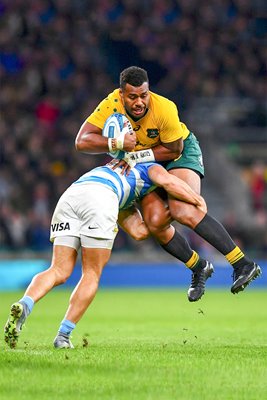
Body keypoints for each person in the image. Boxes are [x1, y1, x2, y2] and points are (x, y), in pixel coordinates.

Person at [75, 66, 261, 299]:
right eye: (133, 97)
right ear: (122, 95)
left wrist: (133, 156)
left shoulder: (164, 108)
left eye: (144, 95)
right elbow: (82, 141)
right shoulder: (111, 104)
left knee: (182, 209)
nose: (140, 102)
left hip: (178, 153)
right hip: (144, 162)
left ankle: (242, 263)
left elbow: (174, 149)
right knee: (154, 223)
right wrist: (117, 142)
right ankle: (198, 266)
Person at [4, 161, 206, 349]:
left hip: (71, 195)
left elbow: (139, 232)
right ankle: (63, 336)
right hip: (102, 198)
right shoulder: (150, 167)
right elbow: (170, 183)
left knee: (58, 270)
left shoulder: (117, 176)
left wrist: (157, 217)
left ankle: (25, 303)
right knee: (91, 273)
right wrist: (197, 203)